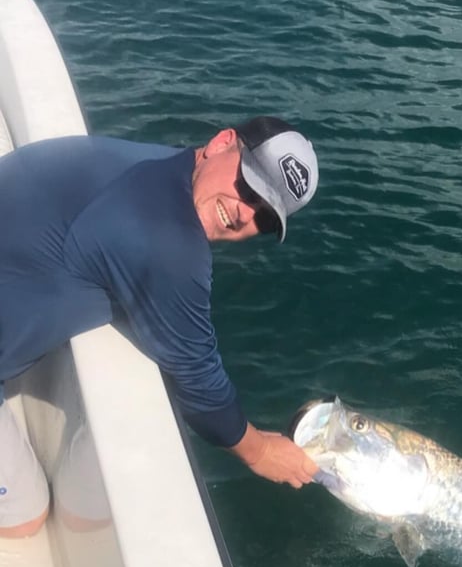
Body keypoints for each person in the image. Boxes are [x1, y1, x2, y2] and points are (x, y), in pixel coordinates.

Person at [0, 115, 320, 539]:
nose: (244, 215)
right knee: (25, 519)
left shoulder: (156, 168)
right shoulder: (167, 242)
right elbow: (199, 382)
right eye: (248, 185)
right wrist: (259, 451)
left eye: (263, 217)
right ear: (223, 142)